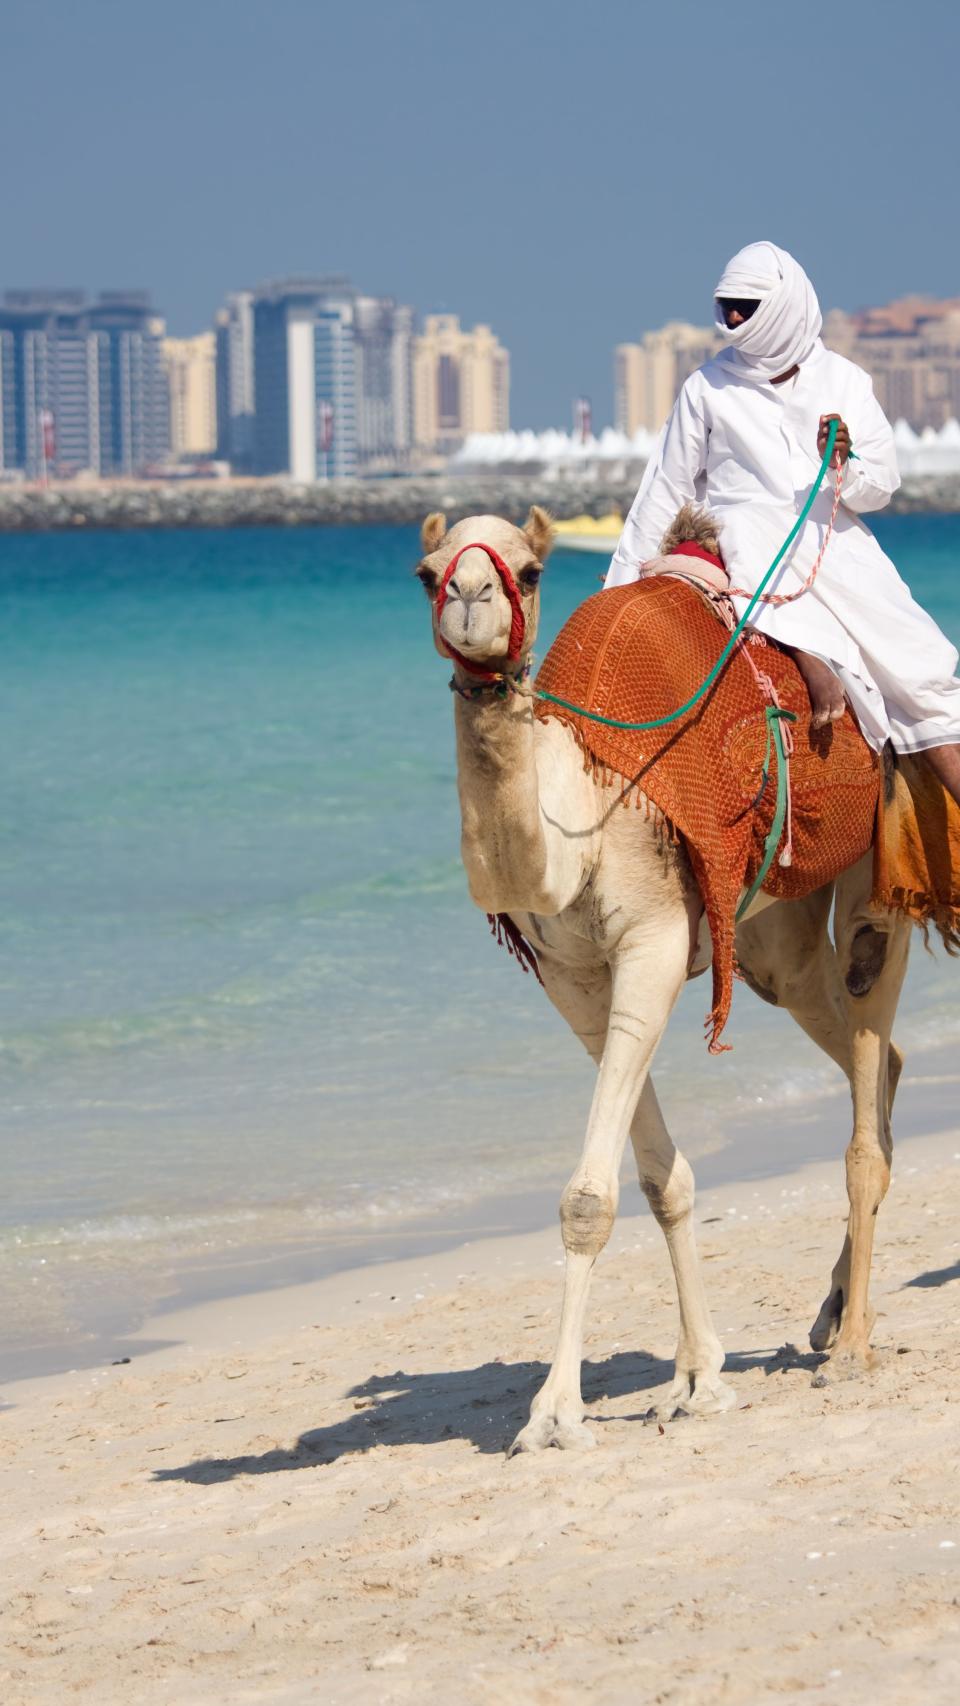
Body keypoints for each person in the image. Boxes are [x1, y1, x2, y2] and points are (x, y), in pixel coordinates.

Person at [606, 241, 960, 805]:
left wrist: (842, 462)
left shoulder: (845, 381)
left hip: (834, 548)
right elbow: (664, 491)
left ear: (785, 306)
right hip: (747, 548)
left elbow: (880, 489)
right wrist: (619, 596)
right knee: (744, 527)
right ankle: (808, 652)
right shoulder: (707, 387)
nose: (736, 319)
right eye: (727, 307)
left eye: (747, 305)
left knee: (925, 677)